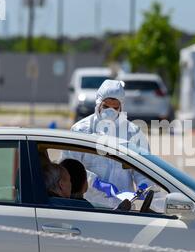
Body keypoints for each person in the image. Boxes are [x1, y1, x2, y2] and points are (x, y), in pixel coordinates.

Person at [61, 79, 154, 209]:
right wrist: (96, 183)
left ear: (121, 107)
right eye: (105, 106)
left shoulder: (133, 133)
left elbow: (144, 170)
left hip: (123, 207)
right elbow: (69, 169)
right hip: (89, 206)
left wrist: (143, 185)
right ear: (98, 104)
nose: (110, 111)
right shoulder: (81, 130)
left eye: (115, 108)